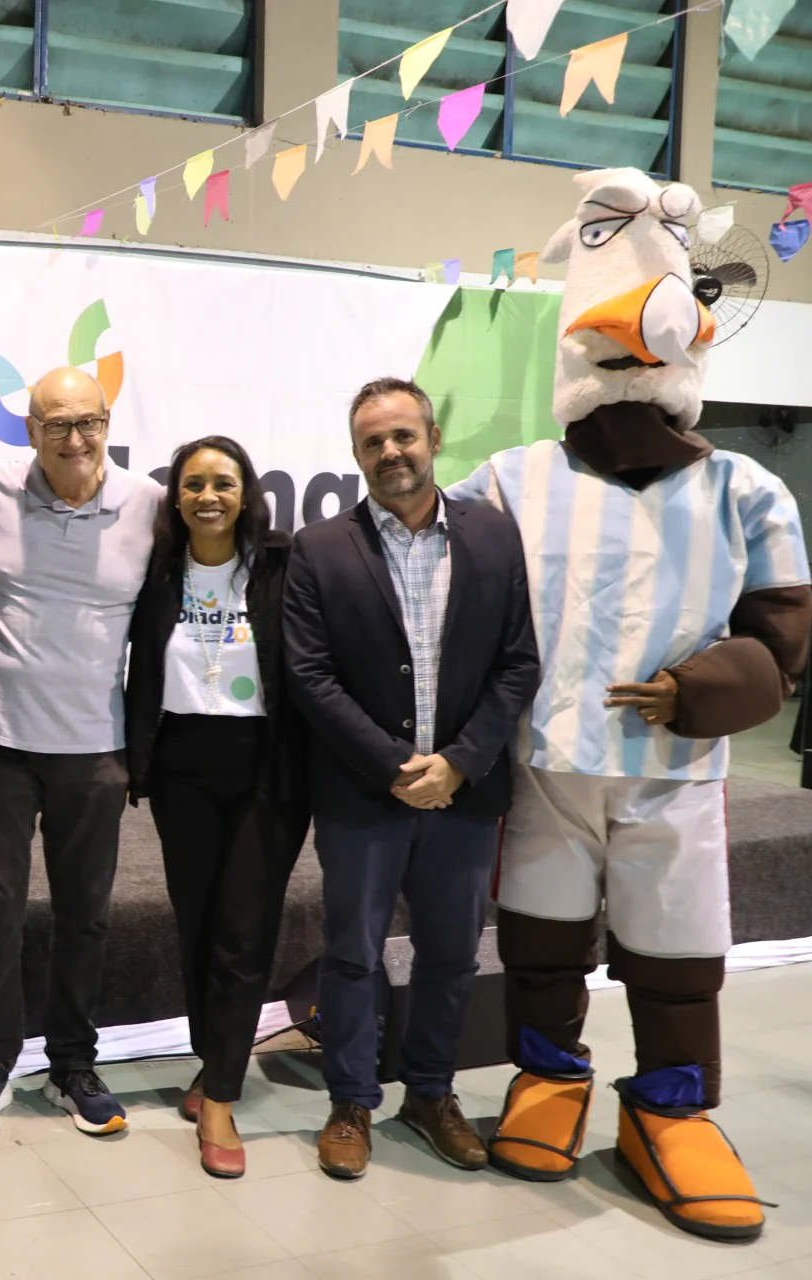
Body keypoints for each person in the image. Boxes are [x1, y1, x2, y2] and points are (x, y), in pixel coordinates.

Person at [461, 168, 810, 1241]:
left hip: (675, 779)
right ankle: (548, 1074)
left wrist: (700, 689)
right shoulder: (510, 480)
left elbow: (784, 632)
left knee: (675, 949)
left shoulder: (745, 488)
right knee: (543, 940)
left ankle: (672, 1103)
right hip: (549, 767)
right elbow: (457, 607)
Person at [283, 376, 539, 1181]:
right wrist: (398, 768)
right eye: (372, 442)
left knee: (452, 955)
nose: (390, 453)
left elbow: (517, 663)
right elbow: (310, 676)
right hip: (365, 795)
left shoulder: (496, 538)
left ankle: (431, 1095)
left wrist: (459, 764)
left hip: (465, 797)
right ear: (355, 455)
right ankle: (351, 1101)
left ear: (432, 436)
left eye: (403, 436)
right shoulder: (319, 549)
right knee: (353, 954)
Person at [0, 367, 159, 1140]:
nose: (75, 439)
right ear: (29, 430)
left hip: (94, 749)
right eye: (57, 424)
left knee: (86, 917)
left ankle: (73, 1063)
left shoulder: (148, 506)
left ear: (108, 422)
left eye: (88, 422)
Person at [122, 435, 309, 1178]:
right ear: (176, 496)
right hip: (181, 770)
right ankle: (214, 1060)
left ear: (247, 493)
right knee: (198, 926)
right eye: (193, 483)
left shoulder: (282, 565)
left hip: (265, 770)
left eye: (222, 483)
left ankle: (224, 1097)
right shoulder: (157, 572)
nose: (207, 495)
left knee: (243, 930)